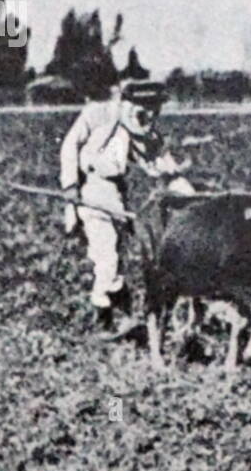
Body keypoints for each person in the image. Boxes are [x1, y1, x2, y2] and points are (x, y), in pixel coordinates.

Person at [60, 78, 187, 332]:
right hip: (91, 191)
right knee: (106, 255)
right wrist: (70, 185)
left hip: (116, 195)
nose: (151, 114)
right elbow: (69, 145)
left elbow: (160, 164)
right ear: (130, 102)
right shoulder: (98, 114)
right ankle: (105, 318)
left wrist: (188, 195)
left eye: (155, 108)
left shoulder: (140, 129)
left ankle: (117, 302)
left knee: (114, 254)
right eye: (146, 106)